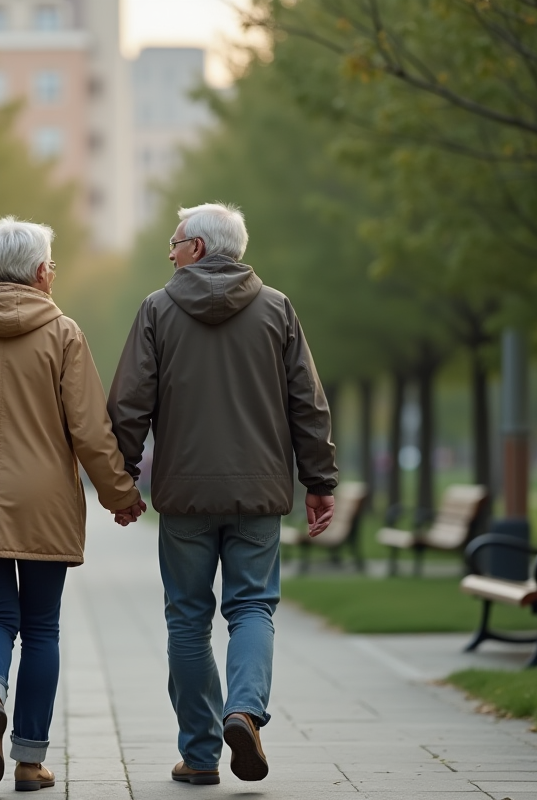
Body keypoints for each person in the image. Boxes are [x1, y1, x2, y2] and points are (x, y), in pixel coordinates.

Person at [0, 216, 147, 791]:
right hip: (44, 502)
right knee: (41, 629)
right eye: (53, 265)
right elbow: (90, 429)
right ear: (41, 272)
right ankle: (30, 761)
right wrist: (120, 494)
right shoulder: (63, 332)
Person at [107, 203, 337, 785]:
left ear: (200, 249)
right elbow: (307, 403)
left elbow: (129, 405)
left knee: (187, 621)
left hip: (184, 496)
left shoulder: (157, 311)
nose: (170, 250)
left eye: (177, 240)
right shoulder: (278, 310)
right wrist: (319, 480)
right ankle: (244, 710)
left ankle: (203, 754)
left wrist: (121, 480)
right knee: (253, 607)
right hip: (259, 492)